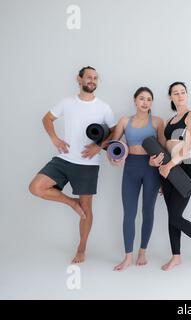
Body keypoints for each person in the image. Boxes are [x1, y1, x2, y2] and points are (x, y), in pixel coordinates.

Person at [28, 66, 116, 264]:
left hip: (88, 164)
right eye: (89, 77)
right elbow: (47, 118)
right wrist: (54, 138)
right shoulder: (67, 102)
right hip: (64, 159)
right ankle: (71, 203)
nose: (92, 81)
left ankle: (81, 249)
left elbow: (115, 131)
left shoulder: (104, 107)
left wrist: (99, 146)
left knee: (86, 210)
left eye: (96, 78)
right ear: (79, 79)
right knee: (36, 187)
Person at [150, 82, 191, 271]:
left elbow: (188, 146)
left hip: (182, 169)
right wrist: (159, 167)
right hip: (166, 171)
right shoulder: (169, 121)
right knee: (171, 216)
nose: (180, 96)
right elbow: (164, 147)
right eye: (175, 93)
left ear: (187, 94)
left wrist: (169, 165)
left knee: (176, 217)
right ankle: (176, 256)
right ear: (170, 97)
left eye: (182, 92)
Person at [109, 87, 163, 271]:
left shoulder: (157, 122)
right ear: (135, 100)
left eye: (149, 99)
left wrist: (165, 179)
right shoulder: (124, 121)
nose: (145, 102)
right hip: (130, 168)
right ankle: (127, 256)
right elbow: (113, 146)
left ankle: (142, 252)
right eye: (142, 98)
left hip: (152, 171)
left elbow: (164, 151)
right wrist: (113, 159)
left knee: (148, 211)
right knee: (129, 214)